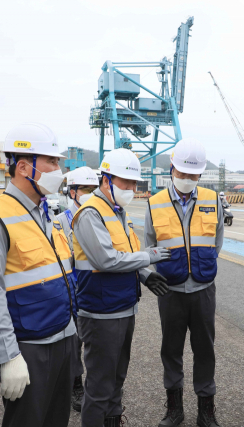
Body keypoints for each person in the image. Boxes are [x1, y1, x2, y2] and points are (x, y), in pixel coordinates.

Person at [0, 123, 77, 427]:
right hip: (30, 347)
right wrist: (7, 356)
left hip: (64, 337)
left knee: (57, 420)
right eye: (52, 162)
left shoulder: (47, 213)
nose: (59, 169)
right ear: (25, 167)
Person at [71, 148, 171, 426]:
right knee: (100, 386)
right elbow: (105, 259)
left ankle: (113, 422)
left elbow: (126, 252)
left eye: (133, 184)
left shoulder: (117, 211)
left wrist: (144, 275)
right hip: (101, 312)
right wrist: (148, 258)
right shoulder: (90, 213)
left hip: (123, 307)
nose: (130, 189)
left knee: (116, 379)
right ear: (106, 181)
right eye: (125, 183)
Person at [144, 138, 224, 427]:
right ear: (171, 169)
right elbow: (149, 245)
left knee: (205, 350)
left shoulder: (213, 199)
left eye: (193, 175)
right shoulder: (154, 204)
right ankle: (174, 409)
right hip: (171, 291)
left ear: (200, 175)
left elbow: (217, 243)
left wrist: (200, 267)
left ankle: (206, 411)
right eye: (183, 173)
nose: (188, 179)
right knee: (171, 349)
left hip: (203, 290)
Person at [54, 166, 99, 412]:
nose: (90, 194)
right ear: (72, 192)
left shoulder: (102, 217)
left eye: (94, 189)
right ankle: (76, 385)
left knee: (96, 342)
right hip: (72, 292)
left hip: (95, 290)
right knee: (74, 344)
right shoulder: (59, 223)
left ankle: (97, 386)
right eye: (85, 189)